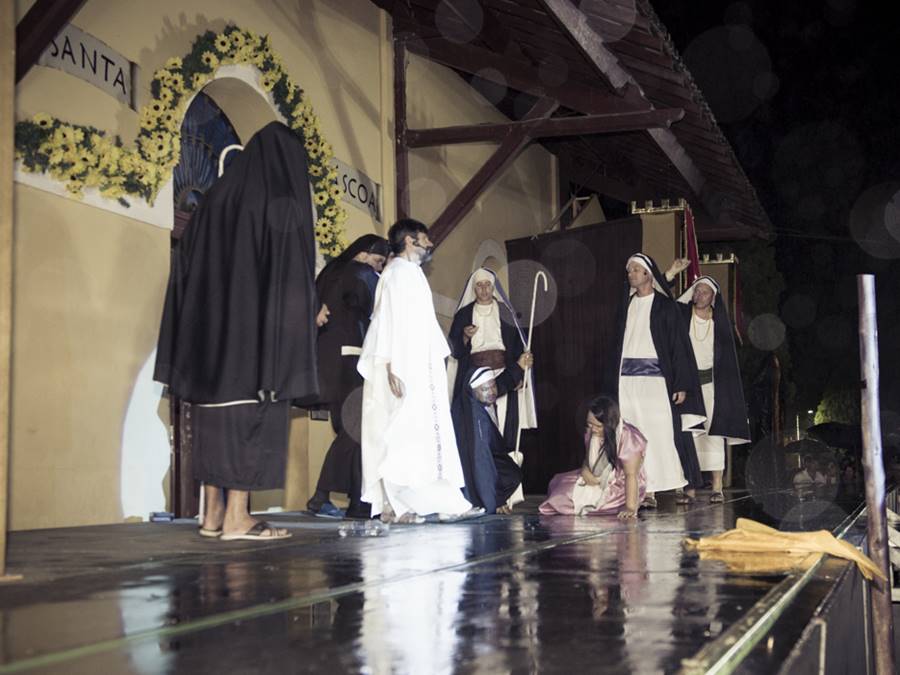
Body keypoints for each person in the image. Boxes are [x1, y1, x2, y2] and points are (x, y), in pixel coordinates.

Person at [154, 122, 327, 541]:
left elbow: (188, 270)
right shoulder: (277, 200)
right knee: (251, 420)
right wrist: (305, 315)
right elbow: (287, 273)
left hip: (208, 348)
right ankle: (237, 518)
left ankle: (213, 516)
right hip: (252, 346)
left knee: (214, 426)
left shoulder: (215, 199)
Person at [357, 218, 479, 523]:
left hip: (420, 370)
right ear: (410, 241)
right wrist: (391, 366)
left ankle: (443, 502)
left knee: (425, 436)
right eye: (425, 239)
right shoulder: (397, 273)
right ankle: (397, 505)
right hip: (403, 369)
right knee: (402, 434)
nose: (430, 244)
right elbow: (386, 321)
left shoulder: (411, 273)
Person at [605, 253, 705, 509]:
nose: (631, 274)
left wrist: (680, 384)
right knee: (632, 433)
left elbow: (678, 347)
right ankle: (643, 489)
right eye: (629, 271)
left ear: (648, 274)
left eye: (636, 270)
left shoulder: (665, 307)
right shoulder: (625, 305)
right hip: (626, 382)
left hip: (655, 382)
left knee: (658, 433)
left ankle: (666, 482)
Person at [307, 234, 390, 519]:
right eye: (378, 261)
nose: (379, 268)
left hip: (328, 364)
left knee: (349, 430)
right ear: (364, 254)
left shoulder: (331, 271)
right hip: (350, 360)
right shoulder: (360, 272)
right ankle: (321, 496)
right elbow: (378, 308)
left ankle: (358, 500)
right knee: (356, 430)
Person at [448, 269, 538, 472]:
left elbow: (518, 345)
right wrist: (465, 337)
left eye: (487, 285)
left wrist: (520, 373)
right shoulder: (464, 314)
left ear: (493, 287)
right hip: (476, 377)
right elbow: (455, 350)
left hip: (504, 372)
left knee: (505, 426)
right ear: (474, 289)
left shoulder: (506, 312)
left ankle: (506, 477)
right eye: (479, 285)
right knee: (480, 427)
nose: (484, 289)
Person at [676, 276, 751, 503]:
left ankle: (717, 487)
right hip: (689, 387)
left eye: (705, 292)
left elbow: (727, 360)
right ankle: (688, 488)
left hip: (712, 386)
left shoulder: (720, 323)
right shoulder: (682, 317)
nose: (699, 295)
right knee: (688, 435)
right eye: (697, 291)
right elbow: (669, 309)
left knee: (714, 435)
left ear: (713, 298)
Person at [539, 395, 646, 519]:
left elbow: (631, 475)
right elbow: (588, 460)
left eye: (598, 426)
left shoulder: (628, 437)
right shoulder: (592, 431)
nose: (593, 429)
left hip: (622, 484)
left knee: (564, 499)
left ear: (609, 424)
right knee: (559, 486)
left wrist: (630, 507)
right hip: (595, 476)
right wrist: (585, 471)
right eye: (590, 424)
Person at [452, 355, 533, 515]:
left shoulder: (477, 396)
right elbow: (482, 463)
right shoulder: (476, 418)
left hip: (487, 461)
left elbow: (500, 384)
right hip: (470, 469)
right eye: (485, 389)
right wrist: (495, 501)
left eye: (492, 387)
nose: (491, 392)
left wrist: (519, 367)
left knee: (511, 473)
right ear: (473, 390)